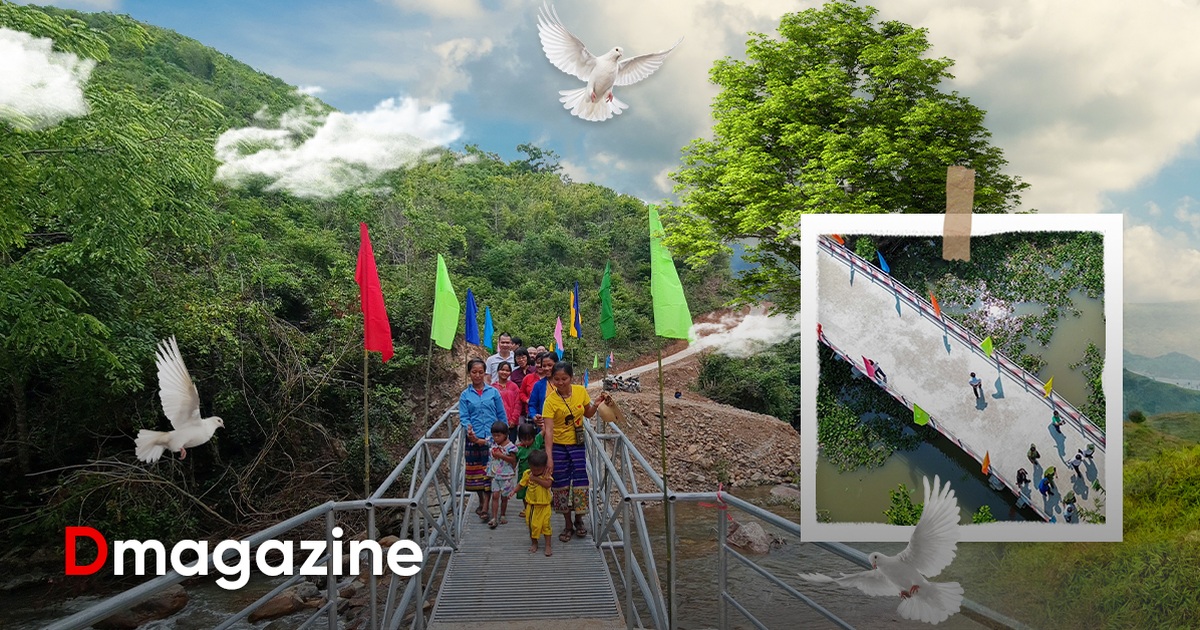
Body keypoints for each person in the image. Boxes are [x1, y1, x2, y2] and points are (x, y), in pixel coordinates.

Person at [539, 360, 608, 543]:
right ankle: (568, 523)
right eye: (557, 379)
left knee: (580, 481)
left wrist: (598, 403)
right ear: (552, 379)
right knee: (560, 484)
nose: (560, 383)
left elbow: (588, 413)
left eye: (564, 379)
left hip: (577, 444)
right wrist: (549, 457)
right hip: (559, 446)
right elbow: (549, 431)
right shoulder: (550, 401)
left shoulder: (580, 391)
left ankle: (580, 519)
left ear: (571, 378)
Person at [459, 359, 507, 521]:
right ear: (469, 373)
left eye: (480, 372)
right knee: (477, 472)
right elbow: (464, 417)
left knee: (490, 472)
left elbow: (501, 415)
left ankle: (486, 506)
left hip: (492, 438)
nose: (477, 375)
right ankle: (481, 500)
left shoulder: (493, 393)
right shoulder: (465, 395)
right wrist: (469, 429)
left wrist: (504, 436)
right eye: (474, 372)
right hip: (474, 438)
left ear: (485, 373)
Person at [521, 449, 554, 556]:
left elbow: (548, 484)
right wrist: (513, 491)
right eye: (533, 469)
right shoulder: (528, 474)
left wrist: (535, 479)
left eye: (538, 470)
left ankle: (548, 545)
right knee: (532, 525)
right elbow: (521, 484)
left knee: (546, 525)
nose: (535, 472)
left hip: (545, 505)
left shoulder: (546, 475)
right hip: (532, 506)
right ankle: (534, 543)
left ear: (544, 467)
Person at [485, 421, 518, 529]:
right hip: (495, 475)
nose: (496, 438)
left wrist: (501, 455)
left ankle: (502, 514)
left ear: (505, 435)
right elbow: (479, 441)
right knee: (495, 496)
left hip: (506, 475)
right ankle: (494, 517)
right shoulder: (492, 443)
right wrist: (472, 436)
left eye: (498, 435)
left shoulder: (510, 447)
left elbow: (513, 460)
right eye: (494, 435)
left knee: (504, 497)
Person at [514, 422, 542, 519]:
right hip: (523, 475)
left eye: (529, 439)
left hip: (537, 475)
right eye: (524, 439)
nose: (527, 442)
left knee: (535, 492)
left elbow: (544, 431)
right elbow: (514, 461)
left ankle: (536, 508)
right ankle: (527, 509)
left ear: (534, 437)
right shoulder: (518, 449)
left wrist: (542, 424)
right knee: (523, 493)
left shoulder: (536, 442)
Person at [491, 362, 522, 442]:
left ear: (510, 373)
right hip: (496, 424)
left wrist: (513, 419)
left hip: (511, 423)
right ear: (498, 371)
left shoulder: (514, 386)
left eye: (507, 370)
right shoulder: (492, 388)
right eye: (502, 370)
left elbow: (518, 404)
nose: (504, 372)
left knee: (510, 448)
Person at [525, 352, 557, 421]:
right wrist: (534, 416)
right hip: (544, 425)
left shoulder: (564, 383)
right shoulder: (538, 385)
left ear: (556, 364)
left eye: (550, 365)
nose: (546, 368)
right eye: (544, 366)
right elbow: (532, 405)